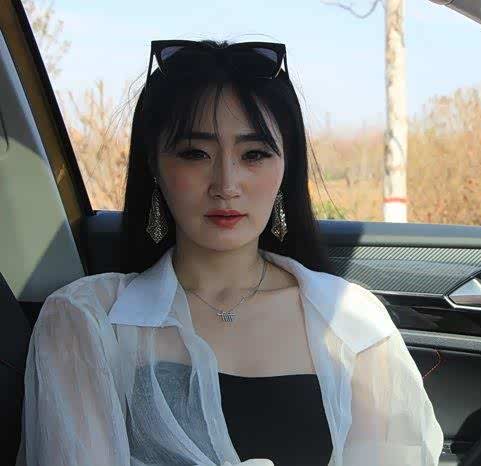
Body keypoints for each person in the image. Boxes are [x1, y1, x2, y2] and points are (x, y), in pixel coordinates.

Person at [16, 39, 443, 466]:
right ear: (154, 166)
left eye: (254, 154)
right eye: (194, 153)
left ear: (286, 167)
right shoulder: (86, 318)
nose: (226, 184)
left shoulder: (352, 319)